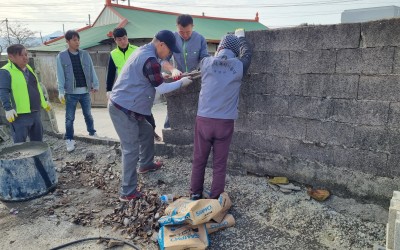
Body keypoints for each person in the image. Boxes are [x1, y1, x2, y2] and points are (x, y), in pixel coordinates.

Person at [108, 30, 193, 202]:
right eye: (169, 50)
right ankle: (127, 192)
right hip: (122, 108)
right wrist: (181, 83)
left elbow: (146, 75)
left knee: (147, 131)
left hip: (130, 106)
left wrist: (166, 76)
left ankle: (145, 165)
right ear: (161, 44)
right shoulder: (150, 59)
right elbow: (161, 89)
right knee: (130, 149)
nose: (169, 54)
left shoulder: (143, 51)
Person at [190, 29, 252, 200]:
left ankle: (195, 193)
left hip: (204, 120)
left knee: (199, 159)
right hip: (225, 123)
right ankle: (215, 197)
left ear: (219, 48)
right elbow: (247, 53)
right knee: (219, 163)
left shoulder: (206, 63)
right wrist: (241, 38)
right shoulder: (239, 66)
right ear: (236, 50)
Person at [105, 27, 161, 142]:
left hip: (141, 86)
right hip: (125, 89)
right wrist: (109, 90)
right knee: (130, 115)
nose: (122, 41)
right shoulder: (113, 54)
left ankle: (152, 132)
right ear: (115, 40)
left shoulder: (137, 50)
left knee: (147, 113)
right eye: (119, 39)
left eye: (124, 38)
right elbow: (110, 73)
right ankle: (138, 138)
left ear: (127, 37)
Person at [162, 14, 209, 128]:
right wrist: (173, 70)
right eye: (181, 32)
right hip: (178, 78)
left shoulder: (200, 39)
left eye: (188, 32)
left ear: (192, 26)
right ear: (177, 27)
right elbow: (163, 60)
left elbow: (205, 59)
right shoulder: (172, 39)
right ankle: (168, 130)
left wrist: (200, 71)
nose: (185, 35)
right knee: (174, 106)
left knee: (198, 108)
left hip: (196, 78)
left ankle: (199, 131)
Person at [56, 30, 99, 152]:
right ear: (68, 41)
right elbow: (60, 74)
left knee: (88, 115)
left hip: (85, 91)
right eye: (74, 40)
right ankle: (69, 139)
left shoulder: (85, 54)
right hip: (70, 93)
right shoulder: (62, 56)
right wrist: (60, 91)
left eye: (78, 39)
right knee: (69, 118)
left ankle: (92, 133)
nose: (77, 42)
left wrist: (95, 84)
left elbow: (91, 69)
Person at [0, 44, 51, 143]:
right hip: (19, 116)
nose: (25, 58)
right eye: (21, 55)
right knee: (20, 144)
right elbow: (3, 91)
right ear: (11, 57)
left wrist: (44, 102)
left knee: (37, 143)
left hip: (35, 112)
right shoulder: (5, 71)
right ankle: (22, 159)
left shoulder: (29, 68)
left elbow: (37, 87)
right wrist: (8, 108)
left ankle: (38, 159)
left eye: (26, 55)